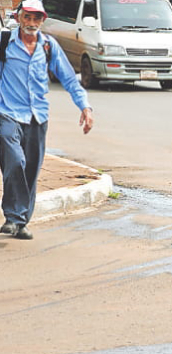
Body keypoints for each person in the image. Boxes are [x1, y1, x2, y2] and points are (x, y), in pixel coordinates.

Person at [0, 0, 93, 240]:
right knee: (15, 161)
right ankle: (13, 214)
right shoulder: (4, 43)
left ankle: (19, 222)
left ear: (43, 20)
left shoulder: (49, 46)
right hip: (7, 113)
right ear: (19, 17)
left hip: (38, 117)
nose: (31, 23)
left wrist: (85, 107)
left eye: (36, 18)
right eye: (27, 17)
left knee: (30, 169)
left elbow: (70, 79)